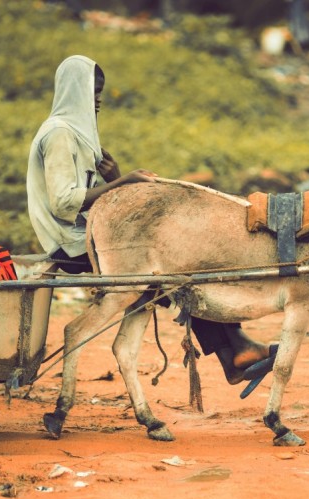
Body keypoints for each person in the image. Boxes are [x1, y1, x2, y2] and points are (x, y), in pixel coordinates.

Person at [26, 54, 276, 385]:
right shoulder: (60, 135)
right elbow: (63, 203)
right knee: (185, 262)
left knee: (185, 261)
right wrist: (123, 182)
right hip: (72, 242)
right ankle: (235, 349)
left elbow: (93, 198)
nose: (98, 101)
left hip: (97, 234)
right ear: (74, 91)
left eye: (100, 92)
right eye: (93, 92)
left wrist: (112, 177)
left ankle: (234, 352)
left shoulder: (79, 134)